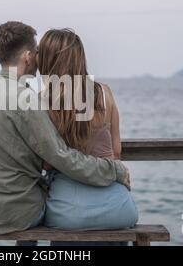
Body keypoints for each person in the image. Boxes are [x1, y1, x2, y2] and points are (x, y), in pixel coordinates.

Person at [0, 21, 130, 246]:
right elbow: (61, 157)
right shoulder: (30, 99)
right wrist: (114, 169)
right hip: (26, 213)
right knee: (31, 207)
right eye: (38, 52)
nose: (40, 59)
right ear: (28, 57)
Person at [37, 29, 138, 246]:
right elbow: (116, 152)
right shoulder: (103, 93)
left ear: (47, 61)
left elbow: (45, 163)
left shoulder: (40, 102)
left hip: (68, 213)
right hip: (118, 210)